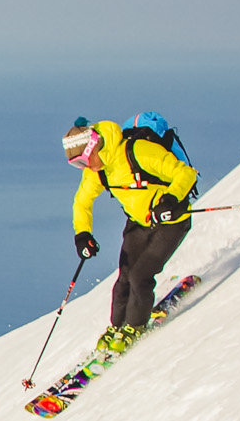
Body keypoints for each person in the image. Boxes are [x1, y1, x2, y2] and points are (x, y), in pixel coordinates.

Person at [64, 116, 196, 354]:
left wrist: (170, 200)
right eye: (77, 165)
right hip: (138, 223)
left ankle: (135, 327)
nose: (85, 168)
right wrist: (82, 234)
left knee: (140, 275)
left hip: (172, 222)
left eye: (83, 161)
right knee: (124, 276)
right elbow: (81, 202)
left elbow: (185, 174)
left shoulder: (138, 152)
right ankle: (116, 327)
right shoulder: (97, 170)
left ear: (95, 146)